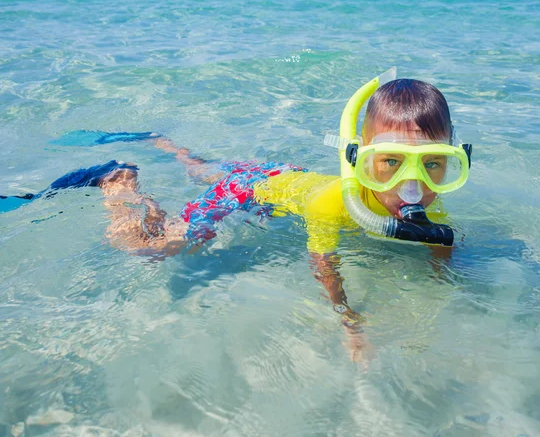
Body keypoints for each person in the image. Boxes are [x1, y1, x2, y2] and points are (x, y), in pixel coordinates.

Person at [97, 70, 473, 362]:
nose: (413, 186)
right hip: (251, 191)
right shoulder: (332, 205)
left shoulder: (428, 200)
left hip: (284, 175)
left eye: (433, 164)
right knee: (151, 248)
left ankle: (166, 144)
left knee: (200, 168)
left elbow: (438, 241)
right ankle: (120, 179)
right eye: (391, 162)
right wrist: (351, 324)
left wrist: (441, 280)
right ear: (360, 159)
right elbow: (323, 265)